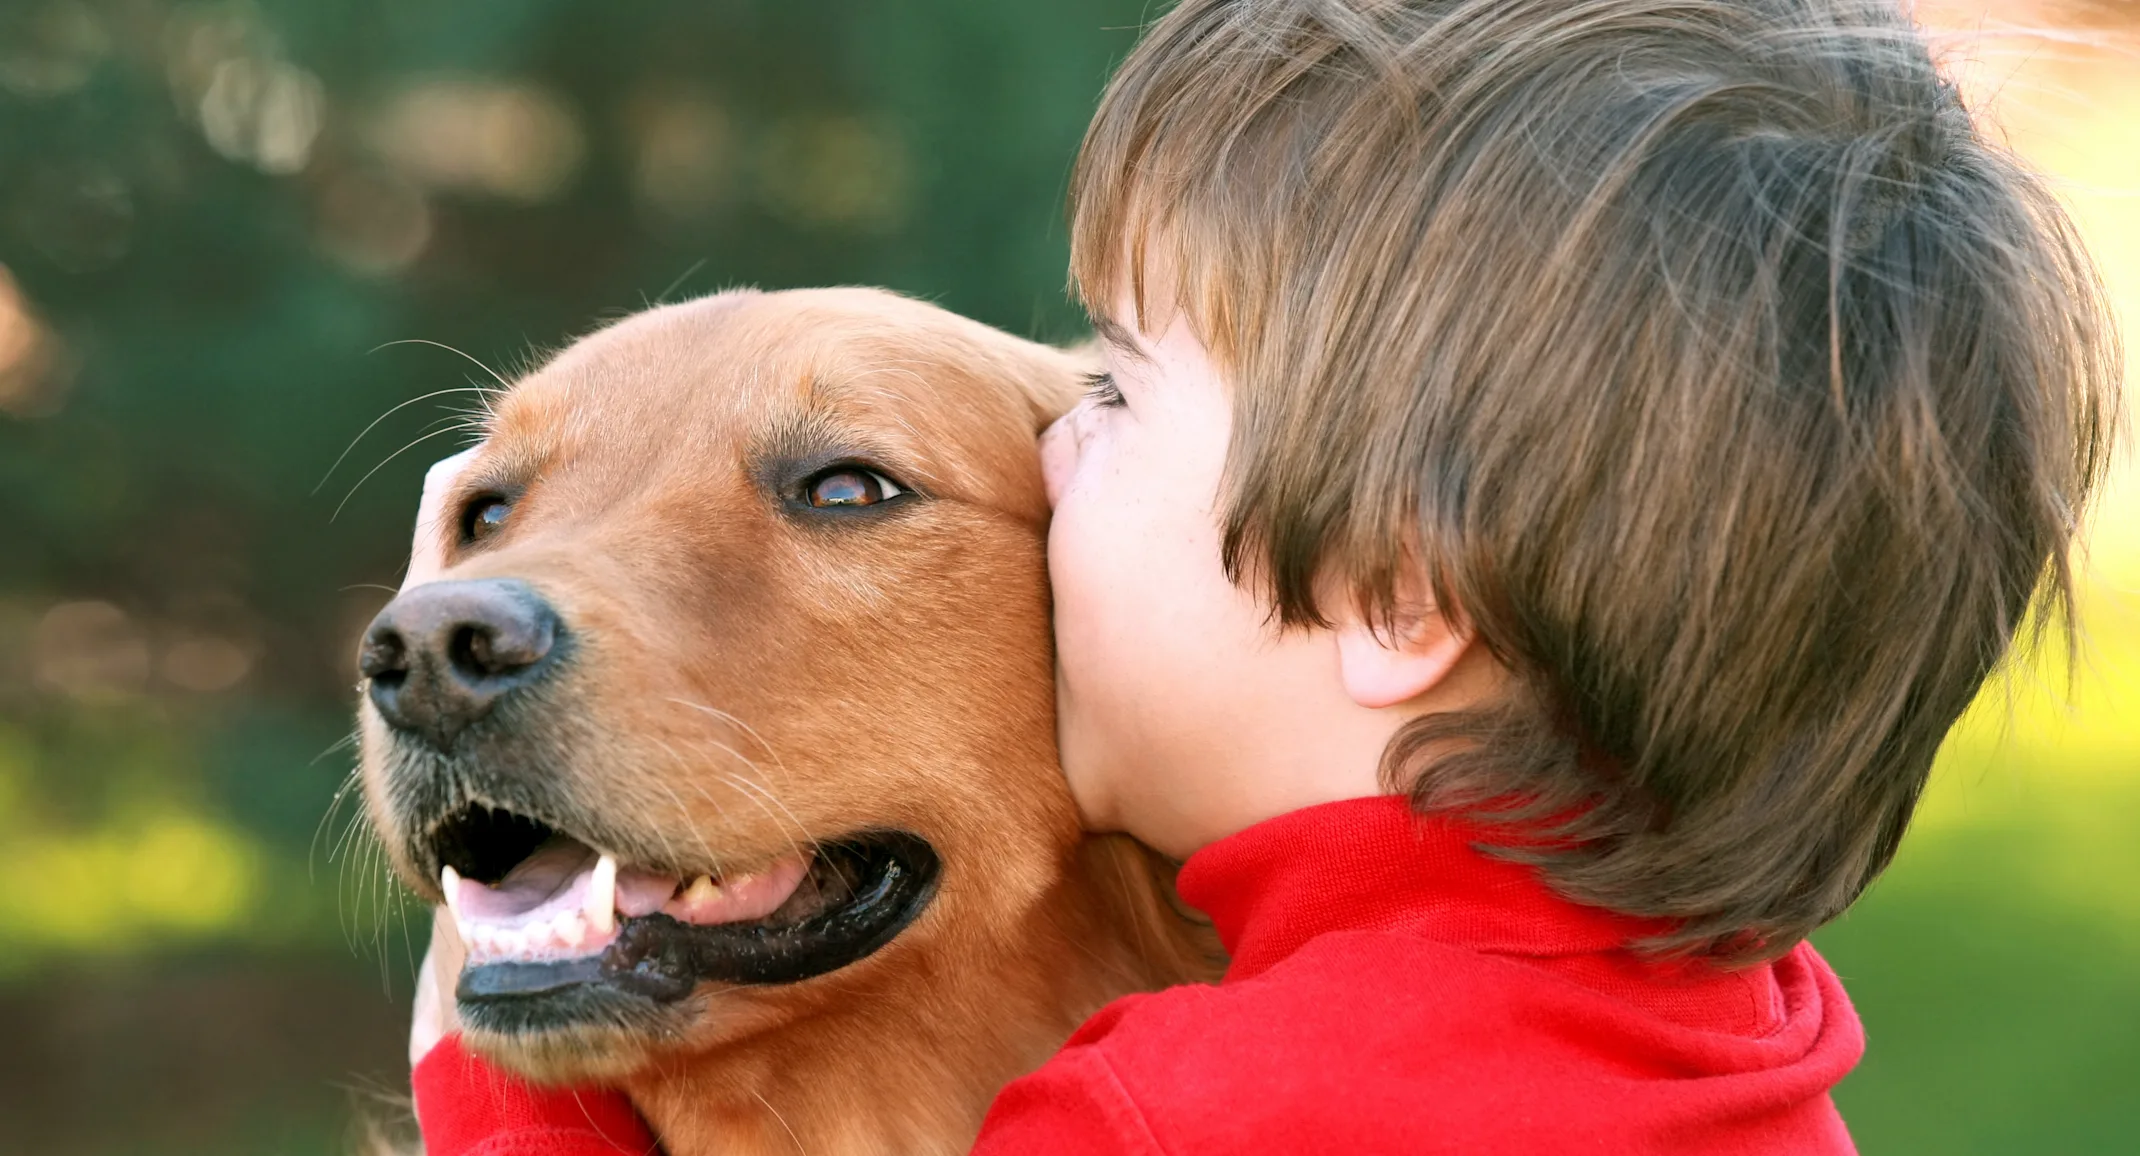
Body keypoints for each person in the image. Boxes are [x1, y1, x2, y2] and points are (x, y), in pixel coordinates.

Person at [408, 0, 2122, 1151]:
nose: (1067, 447)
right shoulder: (1738, 1038)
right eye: (494, 512)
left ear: (1393, 594)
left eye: (1124, 391)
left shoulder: (1200, 1113)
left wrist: (489, 1084)